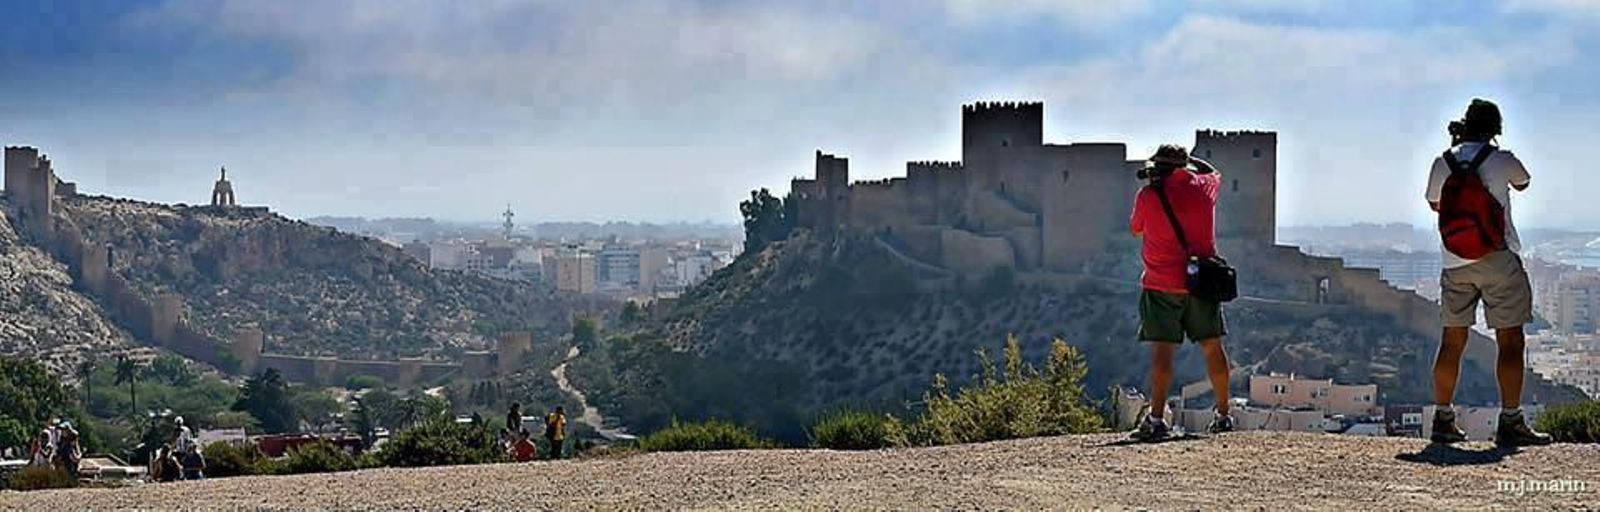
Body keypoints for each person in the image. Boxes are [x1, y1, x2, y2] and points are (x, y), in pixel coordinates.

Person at [1425, 98, 1551, 446]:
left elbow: (1435, 203)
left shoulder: (1442, 161)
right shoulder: (1502, 158)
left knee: (1451, 342)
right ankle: (1510, 421)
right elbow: (1523, 183)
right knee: (1510, 340)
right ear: (1495, 129)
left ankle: (1442, 419)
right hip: (1497, 258)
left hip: (1455, 261)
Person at [1128, 144, 1235, 441]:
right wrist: (1188, 162)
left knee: (1163, 351)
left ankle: (1156, 419)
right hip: (1202, 282)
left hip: (1161, 284)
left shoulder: (1148, 196)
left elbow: (1136, 229)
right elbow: (1214, 173)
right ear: (1183, 166)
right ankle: (1223, 415)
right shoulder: (1203, 188)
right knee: (1212, 346)